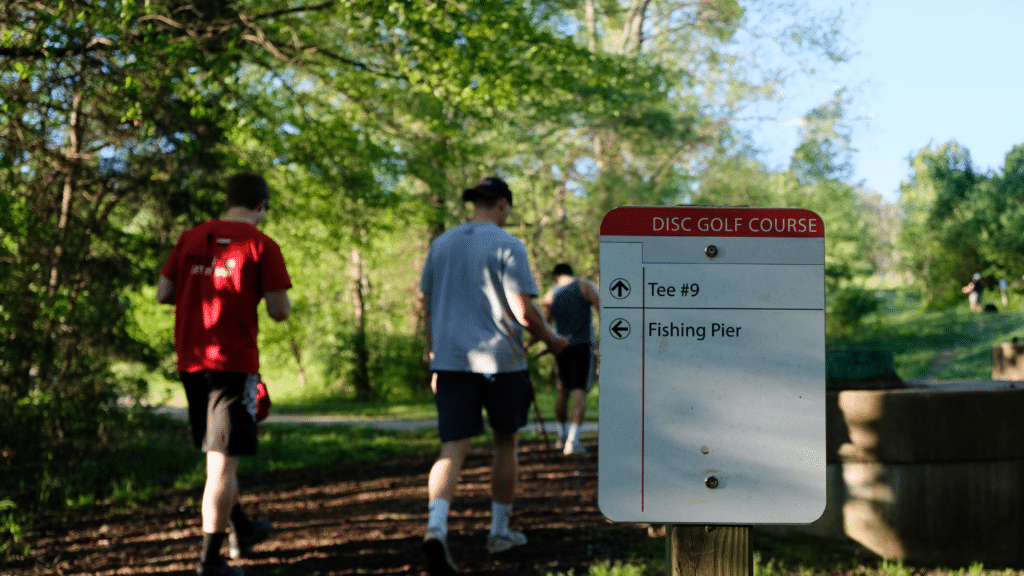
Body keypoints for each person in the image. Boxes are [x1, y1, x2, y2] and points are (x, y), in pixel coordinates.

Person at [419, 176, 568, 575]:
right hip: (502, 364)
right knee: (506, 444)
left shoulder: (441, 244)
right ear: (502, 204)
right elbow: (523, 312)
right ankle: (498, 531)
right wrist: (552, 341)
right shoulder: (508, 244)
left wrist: (434, 358)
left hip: (451, 363)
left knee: (452, 448)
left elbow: (429, 308)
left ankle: (436, 528)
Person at [157, 173, 291, 576]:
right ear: (262, 205)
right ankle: (209, 560)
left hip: (192, 362)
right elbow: (279, 311)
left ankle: (243, 528)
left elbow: (163, 293)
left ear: (228, 199)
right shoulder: (261, 245)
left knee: (217, 454)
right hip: (232, 365)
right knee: (222, 464)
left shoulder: (191, 238)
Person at [541, 263, 600, 455]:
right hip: (582, 346)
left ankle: (561, 436)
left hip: (561, 348)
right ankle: (572, 441)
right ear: (570, 272)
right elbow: (602, 308)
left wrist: (537, 344)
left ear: (555, 276)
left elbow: (543, 323)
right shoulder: (585, 286)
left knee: (563, 391)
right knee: (579, 393)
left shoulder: (550, 295)